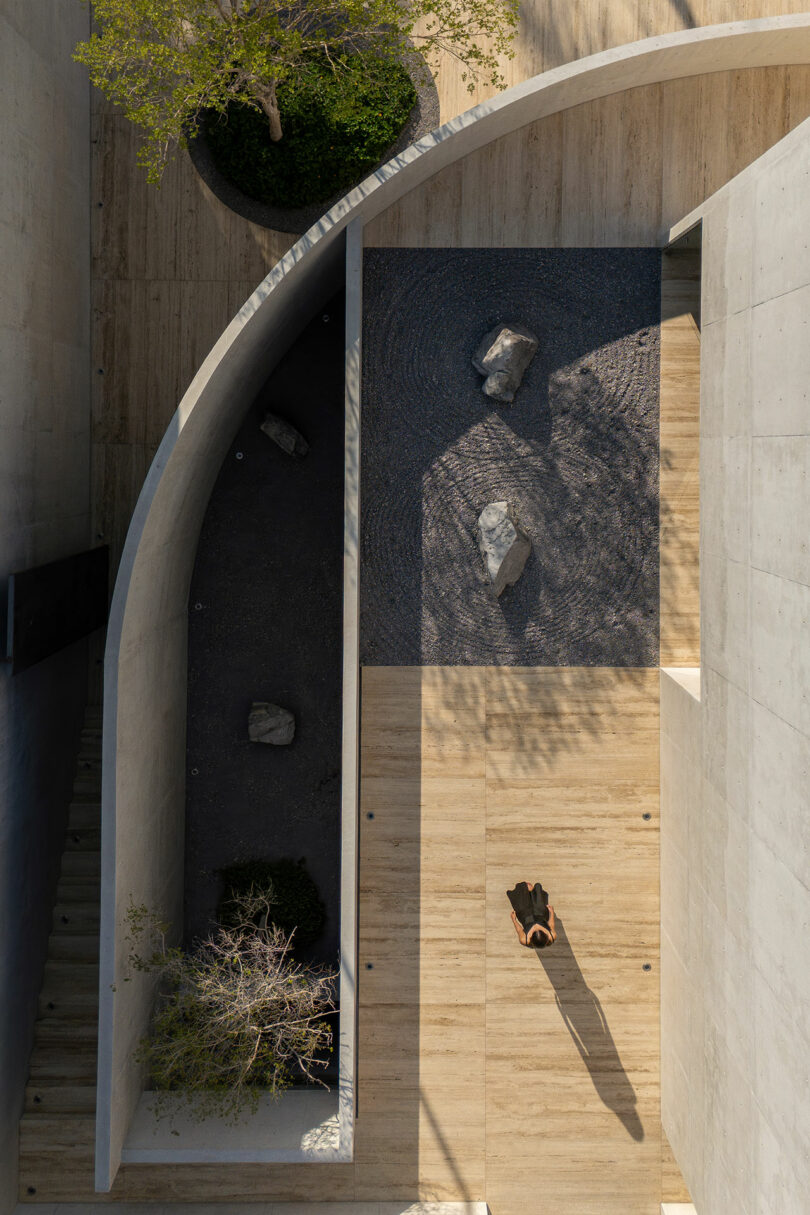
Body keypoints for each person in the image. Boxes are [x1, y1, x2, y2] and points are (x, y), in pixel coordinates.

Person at [507, 880, 556, 948]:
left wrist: (514, 920)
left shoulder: (524, 940)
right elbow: (551, 925)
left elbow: (519, 930)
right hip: (541, 915)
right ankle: (532, 892)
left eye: (534, 931)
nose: (536, 928)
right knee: (537, 886)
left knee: (523, 889)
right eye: (540, 930)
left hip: (526, 917)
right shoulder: (552, 936)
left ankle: (527, 892)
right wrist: (551, 912)